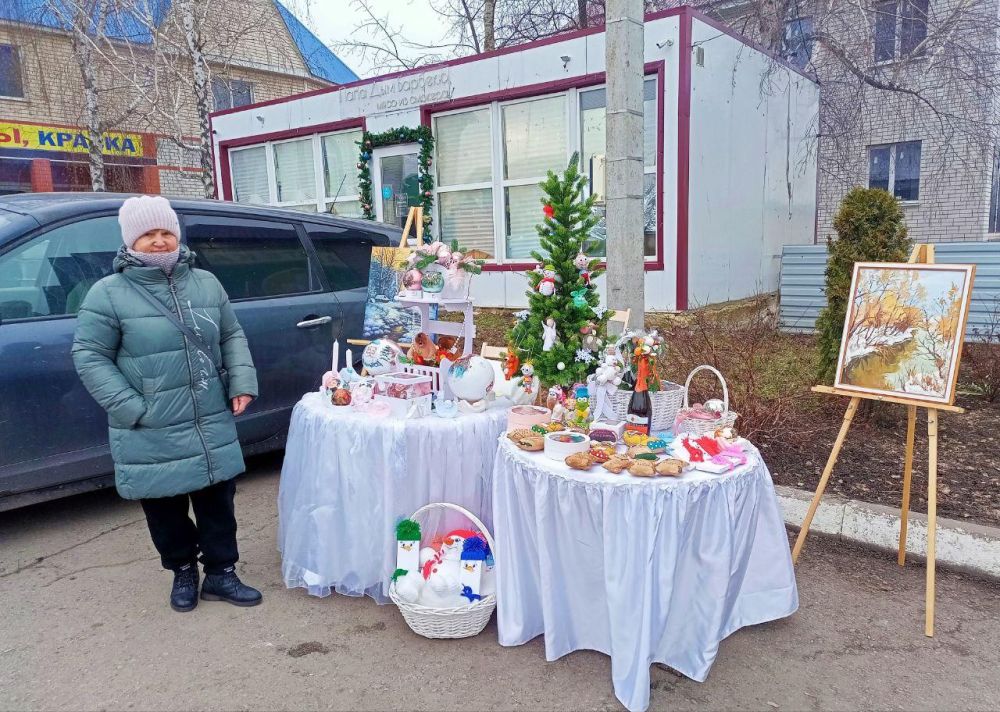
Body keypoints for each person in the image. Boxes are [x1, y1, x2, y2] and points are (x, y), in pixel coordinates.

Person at [72, 195, 262, 613]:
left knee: (217, 502)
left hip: (208, 416)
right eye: (148, 235)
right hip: (150, 425)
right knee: (164, 508)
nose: (159, 241)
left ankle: (221, 574)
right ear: (130, 241)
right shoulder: (108, 294)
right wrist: (131, 408)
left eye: (165, 232)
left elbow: (231, 335)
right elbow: (89, 356)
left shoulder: (206, 283)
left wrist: (241, 383)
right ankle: (182, 571)